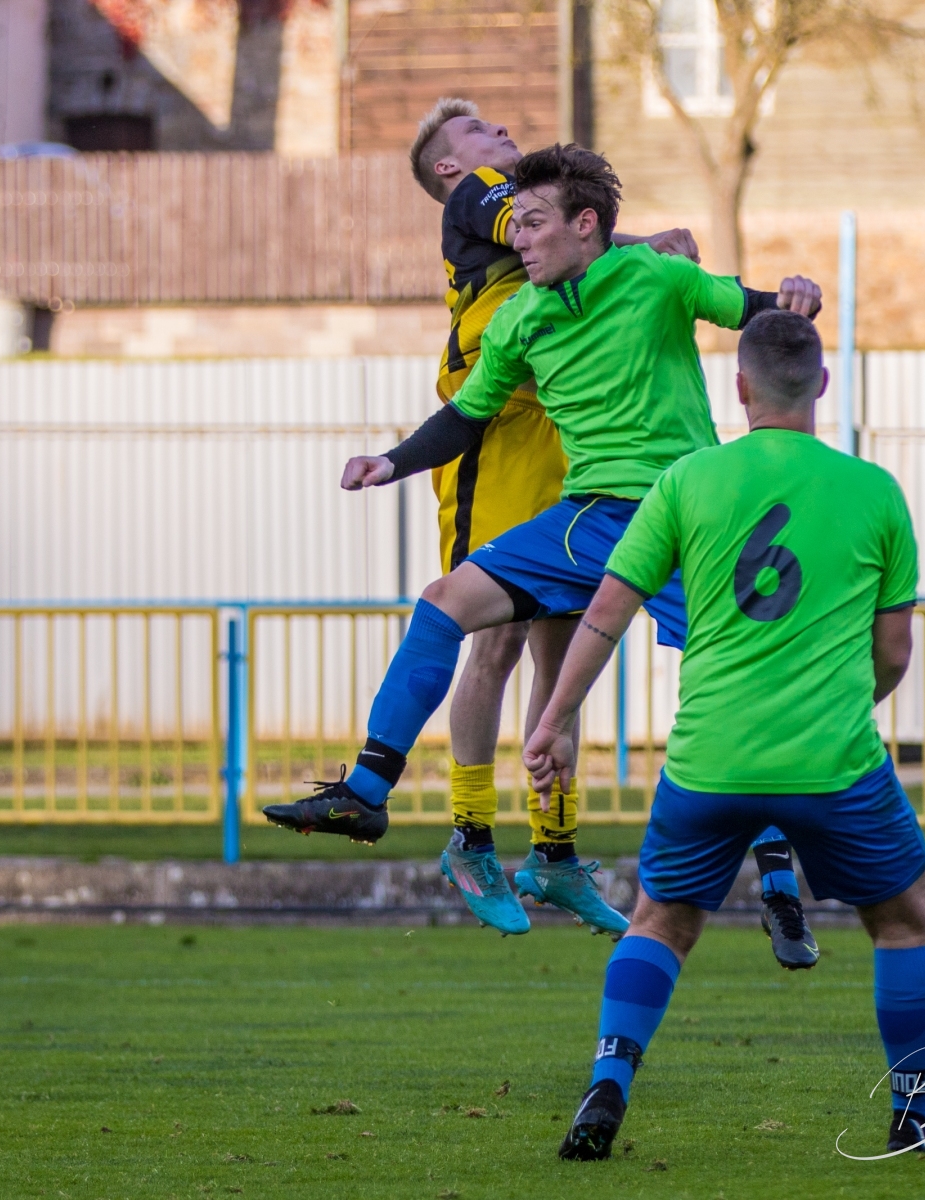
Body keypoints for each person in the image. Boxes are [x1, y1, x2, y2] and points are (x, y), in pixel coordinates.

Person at [262, 143, 823, 963]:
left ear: (585, 225)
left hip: (681, 515)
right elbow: (467, 416)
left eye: (532, 223)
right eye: (515, 225)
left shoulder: (658, 279)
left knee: (735, 687)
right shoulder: (522, 317)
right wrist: (391, 460)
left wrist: (797, 297)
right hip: (587, 516)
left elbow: (757, 311)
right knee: (443, 603)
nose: (518, 239)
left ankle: (778, 885)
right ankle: (368, 790)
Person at [523, 309, 925, 1161]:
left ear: (739, 388)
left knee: (660, 922)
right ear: (822, 385)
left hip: (710, 760)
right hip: (833, 762)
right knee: (904, 918)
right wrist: (847, 701)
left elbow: (607, 612)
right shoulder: (875, 491)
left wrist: (553, 722)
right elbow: (893, 652)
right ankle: (914, 1113)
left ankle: (608, 1082)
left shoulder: (687, 480)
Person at [403, 98, 699, 938]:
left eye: (495, 126)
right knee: (494, 642)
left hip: (565, 455)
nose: (498, 132)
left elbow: (583, 249)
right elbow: (577, 236)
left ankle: (556, 850)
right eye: (476, 132)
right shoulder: (479, 196)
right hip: (495, 452)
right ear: (449, 166)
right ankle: (470, 836)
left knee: (562, 657)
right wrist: (649, 243)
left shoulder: (538, 223)